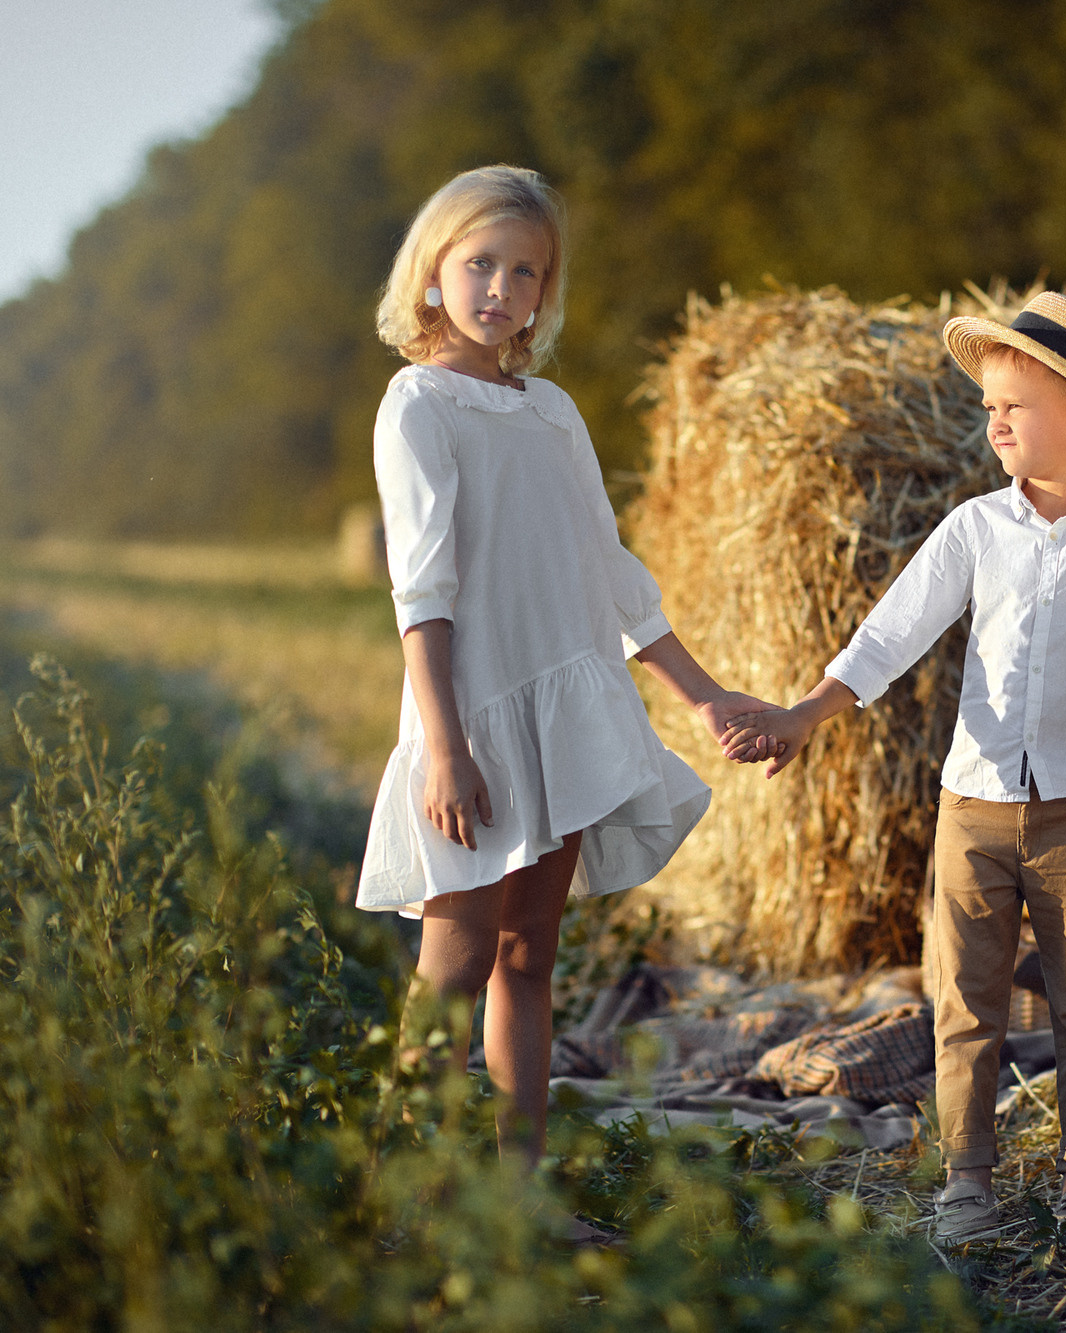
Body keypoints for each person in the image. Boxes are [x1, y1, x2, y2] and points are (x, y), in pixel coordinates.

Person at [721, 292, 1066, 1239]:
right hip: (972, 808)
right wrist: (804, 716)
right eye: (987, 404)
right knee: (965, 1009)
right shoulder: (974, 528)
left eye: (1012, 405)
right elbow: (889, 636)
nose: (992, 421)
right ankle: (968, 1185)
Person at [357, 166, 772, 1225]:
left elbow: (610, 569)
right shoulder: (418, 402)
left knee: (527, 959)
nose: (499, 287)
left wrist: (702, 693)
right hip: (477, 716)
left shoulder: (551, 411)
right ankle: (407, 1196)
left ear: (544, 294)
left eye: (523, 271)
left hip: (561, 712)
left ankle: (518, 1191)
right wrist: (445, 747)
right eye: (479, 263)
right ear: (435, 273)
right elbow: (424, 587)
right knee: (450, 964)